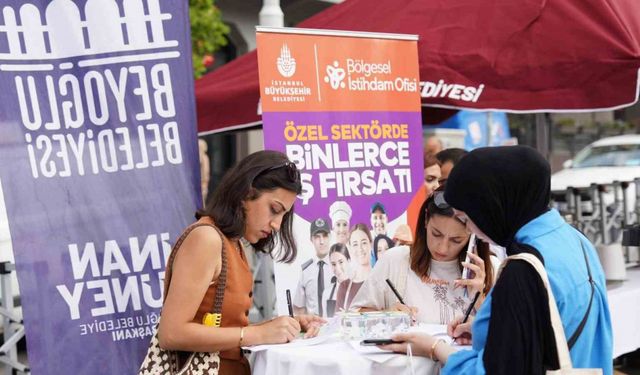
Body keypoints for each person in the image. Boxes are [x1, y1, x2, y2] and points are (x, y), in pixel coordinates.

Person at [382, 146, 613, 375]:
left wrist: (434, 348)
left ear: (492, 206)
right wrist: (495, 330)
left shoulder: (524, 269)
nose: (471, 229)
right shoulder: (575, 240)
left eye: (466, 218)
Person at [156, 151, 324, 375]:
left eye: (284, 215)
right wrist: (258, 334)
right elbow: (171, 333)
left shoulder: (232, 243)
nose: (276, 224)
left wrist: (277, 327)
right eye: (274, 210)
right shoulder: (207, 238)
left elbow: (223, 329)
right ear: (246, 192)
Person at [350, 191, 494, 324]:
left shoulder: (491, 269)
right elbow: (352, 317)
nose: (442, 248)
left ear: (474, 235)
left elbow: (506, 338)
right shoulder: (395, 260)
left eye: (456, 240)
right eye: (436, 234)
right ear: (425, 219)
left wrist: (480, 301)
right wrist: (386, 316)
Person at [293, 217, 334, 317]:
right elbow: (299, 308)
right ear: (311, 239)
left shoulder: (339, 266)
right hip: (314, 328)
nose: (321, 241)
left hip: (336, 328)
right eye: (317, 237)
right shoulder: (306, 271)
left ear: (330, 237)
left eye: (325, 236)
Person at [336, 224, 373, 311]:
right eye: (355, 244)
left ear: (371, 244)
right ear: (350, 248)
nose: (360, 249)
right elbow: (338, 322)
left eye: (364, 243)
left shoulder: (381, 283)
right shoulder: (344, 287)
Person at [326, 243, 352, 317]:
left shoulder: (358, 290)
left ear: (349, 261)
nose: (337, 268)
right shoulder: (327, 293)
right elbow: (325, 322)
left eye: (341, 262)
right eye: (333, 264)